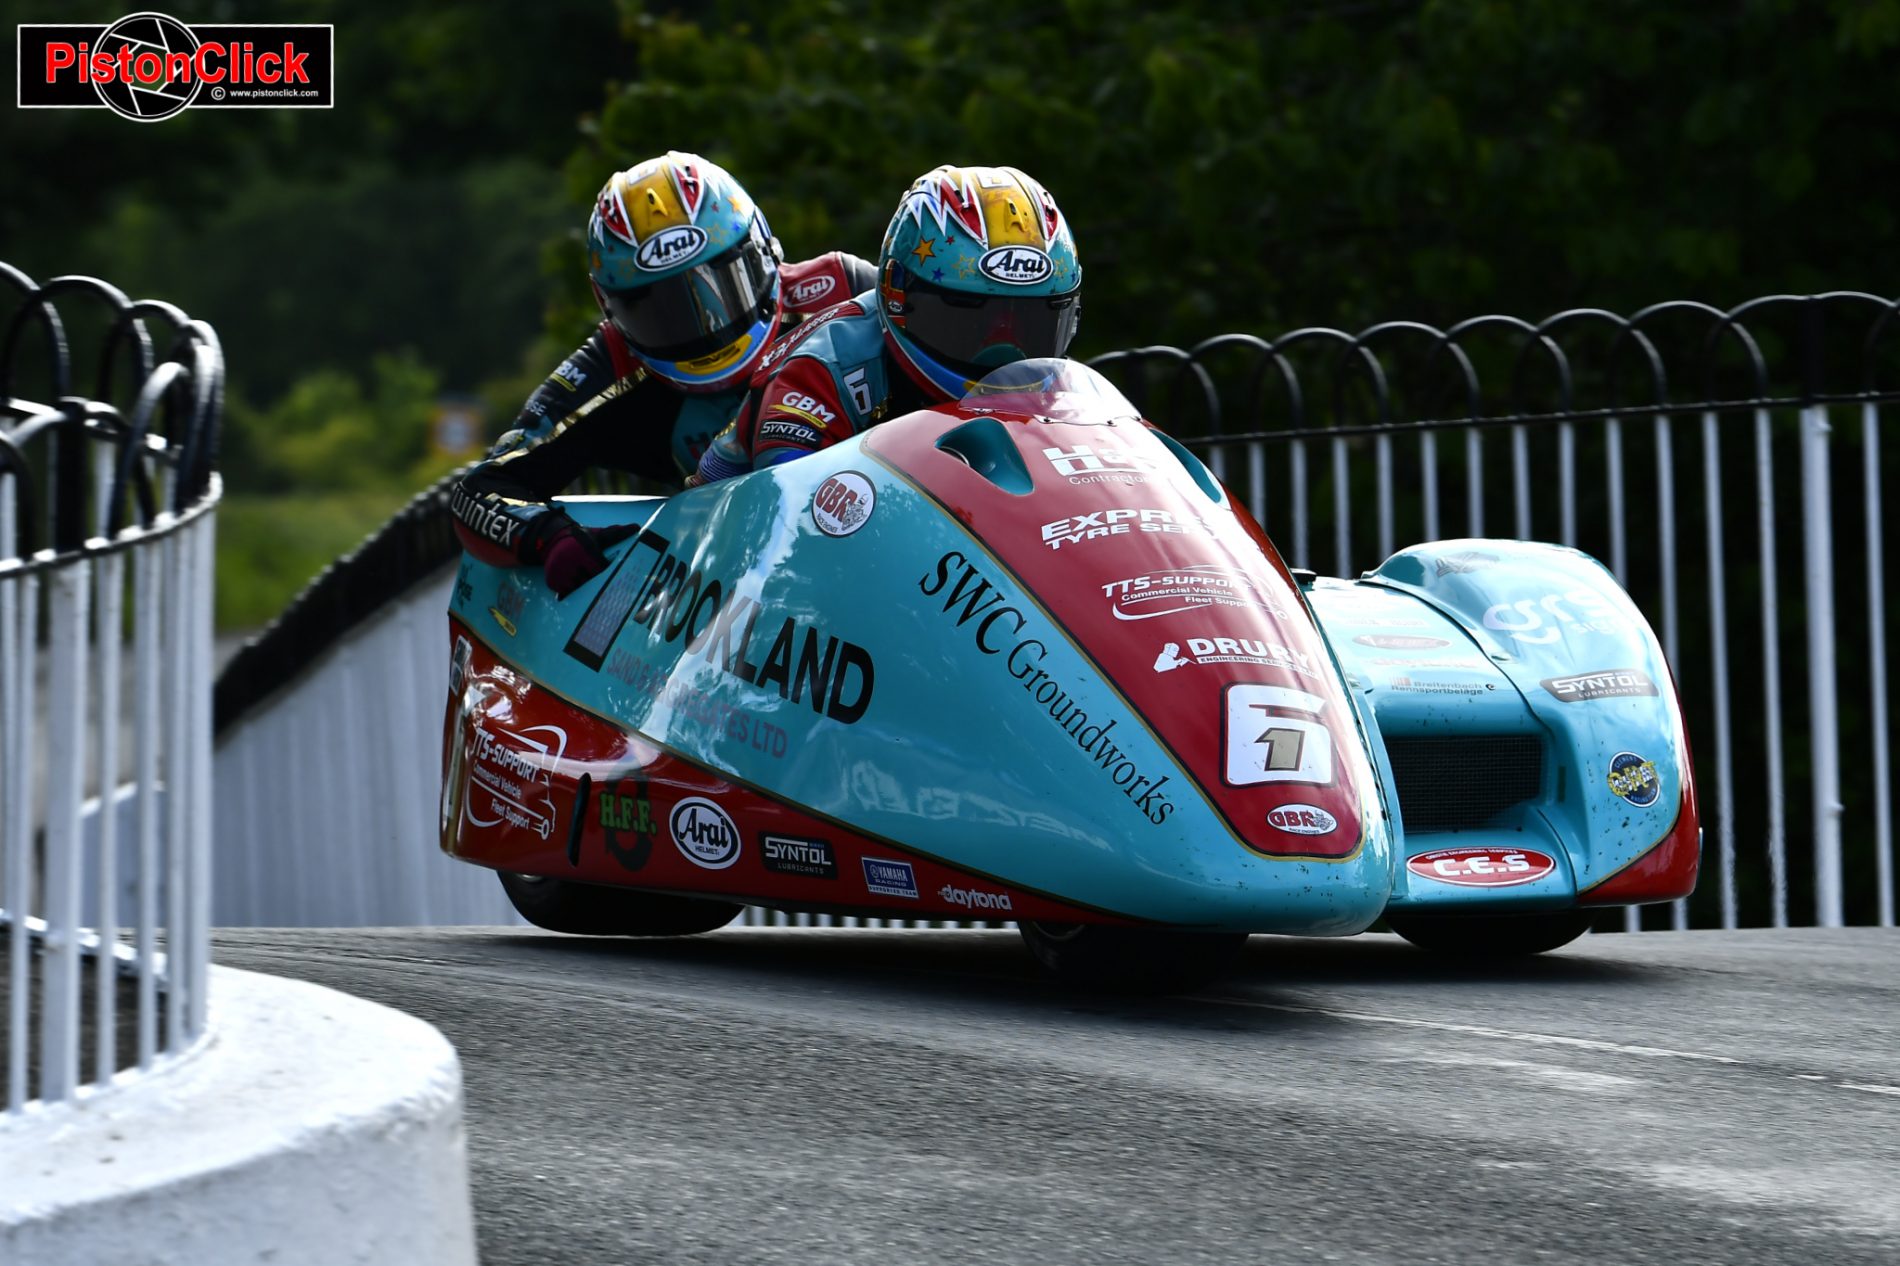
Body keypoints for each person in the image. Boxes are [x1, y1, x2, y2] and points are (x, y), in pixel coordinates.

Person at [452, 151, 875, 593]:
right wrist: (548, 536)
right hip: (758, 582)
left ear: (763, 250)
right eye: (663, 310)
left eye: (722, 286)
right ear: (610, 307)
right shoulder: (610, 364)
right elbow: (481, 489)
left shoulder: (844, 291)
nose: (705, 328)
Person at [688, 163, 1081, 485]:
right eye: (968, 315)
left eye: (1029, 325)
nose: (1001, 352)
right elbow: (788, 521)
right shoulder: (823, 371)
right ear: (897, 292)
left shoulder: (1052, 388)